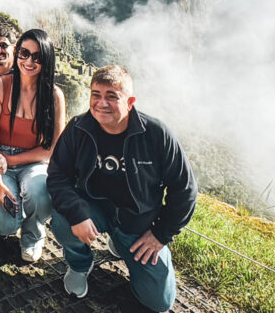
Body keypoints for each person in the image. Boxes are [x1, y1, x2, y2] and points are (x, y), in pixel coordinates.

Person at [47, 65, 197, 312]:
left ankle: (121, 243)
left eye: (112, 96)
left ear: (130, 102)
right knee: (63, 217)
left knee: (159, 302)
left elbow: (185, 189)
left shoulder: (156, 134)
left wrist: (161, 234)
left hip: (137, 223)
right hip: (92, 210)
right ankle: (79, 265)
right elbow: (57, 175)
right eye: (96, 94)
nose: (101, 103)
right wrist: (76, 213)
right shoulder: (79, 128)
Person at [0, 29, 65, 262]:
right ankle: (13, 223)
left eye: (37, 57)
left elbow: (52, 148)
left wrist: (13, 160)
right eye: (24, 53)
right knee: (5, 223)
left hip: (34, 160)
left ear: (46, 61)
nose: (29, 61)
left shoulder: (54, 97)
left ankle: (33, 233)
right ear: (17, 53)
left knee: (40, 192)